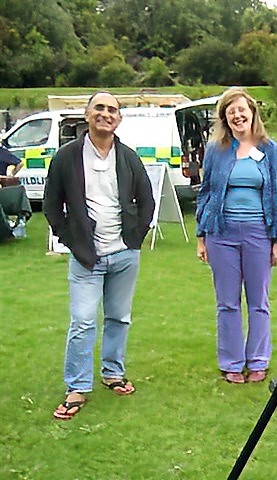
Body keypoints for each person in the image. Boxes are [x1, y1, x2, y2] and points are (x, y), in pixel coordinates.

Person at [43, 91, 155, 419]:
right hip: (86, 258)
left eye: (113, 110)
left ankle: (113, 373)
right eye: (100, 108)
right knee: (83, 321)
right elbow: (51, 206)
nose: (106, 114)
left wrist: (135, 236)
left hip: (124, 255)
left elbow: (146, 201)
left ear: (119, 119)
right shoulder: (67, 156)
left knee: (119, 318)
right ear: (87, 114)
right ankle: (77, 387)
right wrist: (71, 239)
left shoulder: (129, 157)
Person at [196, 87, 277, 384]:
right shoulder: (217, 150)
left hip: (259, 235)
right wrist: (202, 236)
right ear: (224, 117)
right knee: (227, 302)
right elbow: (206, 192)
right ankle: (232, 363)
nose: (237, 115)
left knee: (258, 301)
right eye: (230, 111)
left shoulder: (270, 150)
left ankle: (258, 361)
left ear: (252, 113)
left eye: (241, 110)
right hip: (221, 233)